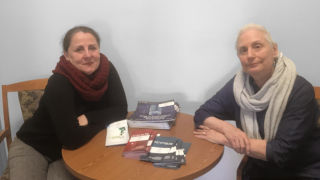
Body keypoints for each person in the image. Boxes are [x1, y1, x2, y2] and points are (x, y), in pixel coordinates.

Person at [193, 24, 320, 179]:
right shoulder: (239, 86)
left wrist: (226, 139)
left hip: (301, 171)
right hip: (260, 168)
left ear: (274, 50)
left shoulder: (300, 91)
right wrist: (229, 129)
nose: (250, 55)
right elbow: (202, 114)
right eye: (243, 50)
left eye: (257, 46)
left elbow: (280, 152)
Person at [8, 26, 128, 180]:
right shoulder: (59, 82)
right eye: (79, 50)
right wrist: (102, 121)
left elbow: (120, 109)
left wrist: (89, 118)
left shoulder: (107, 69)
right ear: (67, 55)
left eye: (92, 48)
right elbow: (72, 137)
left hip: (70, 151)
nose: (87, 55)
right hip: (34, 146)